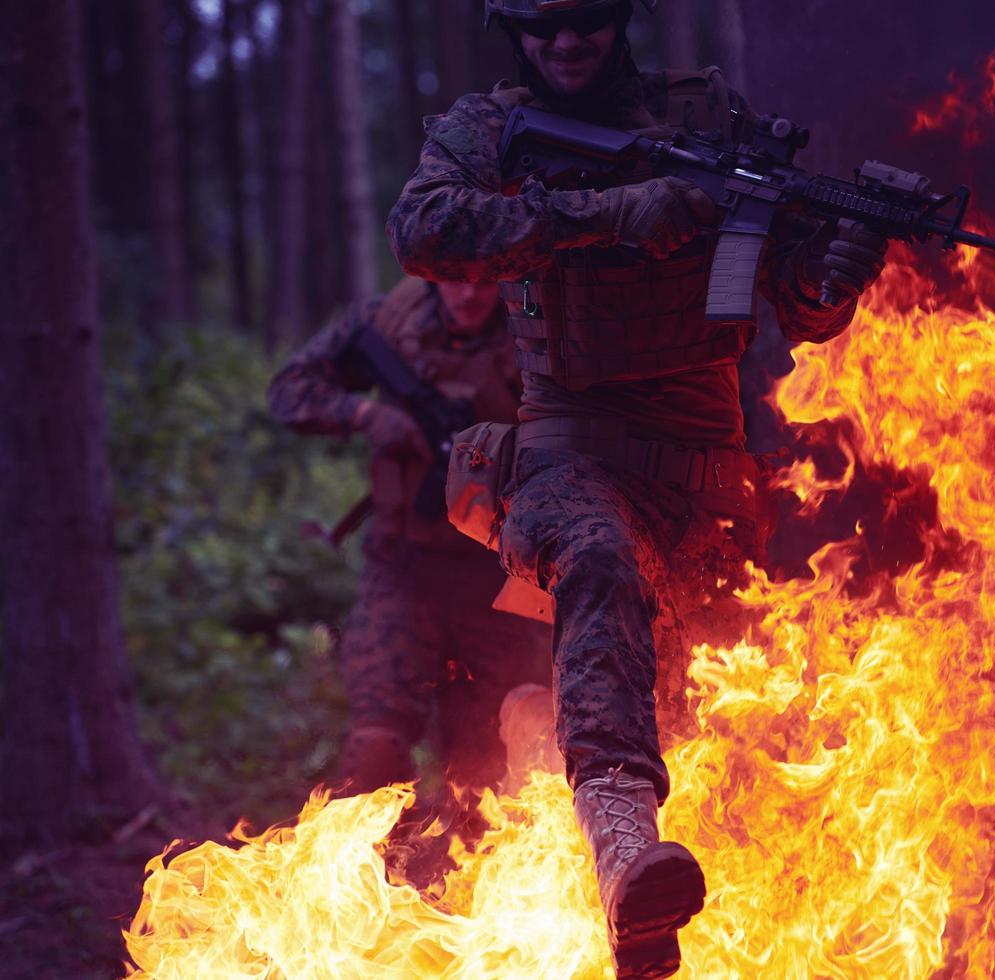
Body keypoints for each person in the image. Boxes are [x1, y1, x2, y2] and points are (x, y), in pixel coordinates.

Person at [386, 1, 887, 975]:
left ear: (620, 24)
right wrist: (608, 212)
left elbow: (805, 310)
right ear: (516, 35)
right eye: (543, 29)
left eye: (585, 23)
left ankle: (625, 876)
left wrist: (839, 266)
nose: (565, 44)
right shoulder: (488, 128)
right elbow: (426, 225)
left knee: (708, 718)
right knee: (602, 564)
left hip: (707, 474)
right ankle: (618, 847)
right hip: (567, 453)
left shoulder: (709, 120)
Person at [267, 276, 554, 806]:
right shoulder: (388, 325)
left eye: (482, 279)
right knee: (377, 742)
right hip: (403, 571)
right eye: (454, 279)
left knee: (486, 770)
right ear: (430, 271)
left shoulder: (532, 330)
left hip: (496, 579)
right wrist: (364, 414)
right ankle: (358, 876)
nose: (468, 295)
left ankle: (465, 883)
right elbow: (289, 390)